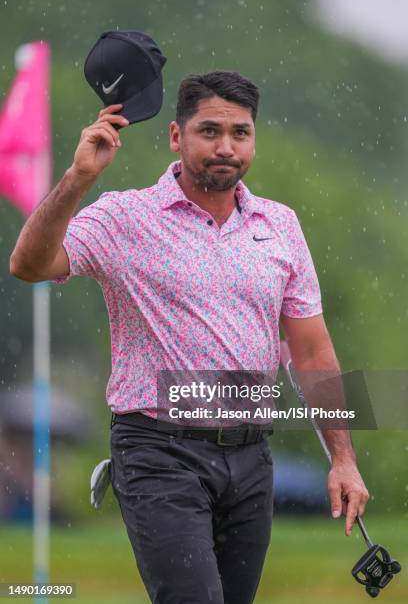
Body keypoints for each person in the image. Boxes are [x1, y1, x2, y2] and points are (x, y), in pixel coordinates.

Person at [10, 71, 369, 604]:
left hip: (251, 457)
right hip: (159, 452)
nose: (226, 147)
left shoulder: (281, 225)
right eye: (209, 131)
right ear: (177, 137)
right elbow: (29, 264)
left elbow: (313, 352)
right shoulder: (123, 216)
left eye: (241, 133)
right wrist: (78, 178)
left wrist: (344, 458)